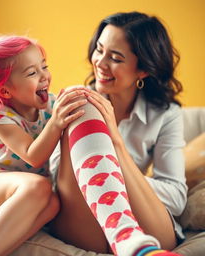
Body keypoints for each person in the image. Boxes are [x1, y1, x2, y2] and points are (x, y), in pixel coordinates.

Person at [49, 12, 187, 256]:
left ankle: (130, 238)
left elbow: (176, 198)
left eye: (115, 58)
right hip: (84, 217)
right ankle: (126, 237)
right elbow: (55, 176)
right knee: (82, 100)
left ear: (143, 69)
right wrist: (103, 170)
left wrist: (116, 146)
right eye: (99, 50)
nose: (100, 63)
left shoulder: (166, 114)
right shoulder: (79, 105)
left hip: (147, 227)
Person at [0, 35, 88, 256]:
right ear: (5, 91)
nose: (44, 77)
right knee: (38, 187)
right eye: (32, 73)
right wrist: (57, 122)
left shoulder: (50, 104)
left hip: (33, 186)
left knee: (53, 204)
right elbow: (33, 156)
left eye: (44, 66)